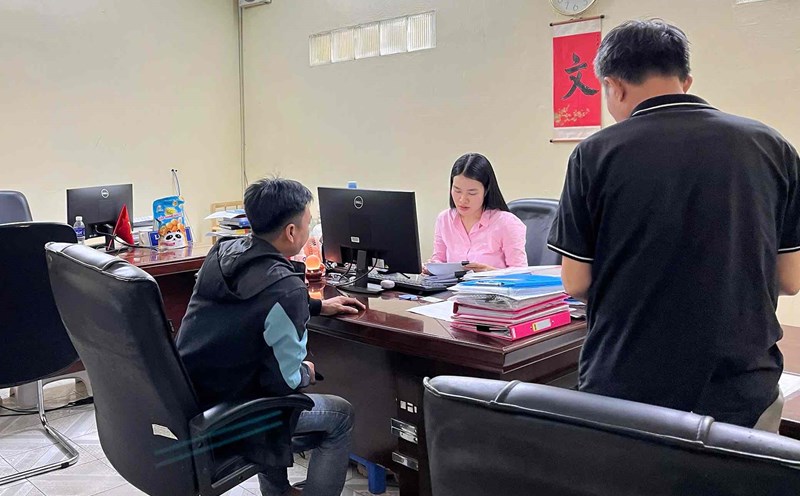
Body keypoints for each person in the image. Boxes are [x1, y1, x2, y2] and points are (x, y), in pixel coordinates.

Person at [547, 19, 800, 433]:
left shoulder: (594, 155)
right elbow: (790, 279)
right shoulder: (772, 146)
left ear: (614, 86)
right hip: (740, 389)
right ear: (686, 80)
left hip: (625, 388)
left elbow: (575, 281)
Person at [177, 178, 365, 496]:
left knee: (264, 379)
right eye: (309, 223)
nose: (309, 230)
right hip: (232, 415)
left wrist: (318, 305)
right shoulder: (286, 287)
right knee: (339, 414)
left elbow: (253, 304)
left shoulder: (222, 253)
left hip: (190, 396)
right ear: (291, 232)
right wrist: (305, 370)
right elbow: (286, 381)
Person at [429, 153, 528, 272]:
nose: (462, 199)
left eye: (472, 193)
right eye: (457, 190)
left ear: (486, 191)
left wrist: (490, 272)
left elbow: (521, 274)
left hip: (493, 289)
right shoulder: (444, 219)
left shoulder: (506, 223)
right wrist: (431, 268)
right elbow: (439, 260)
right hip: (452, 290)